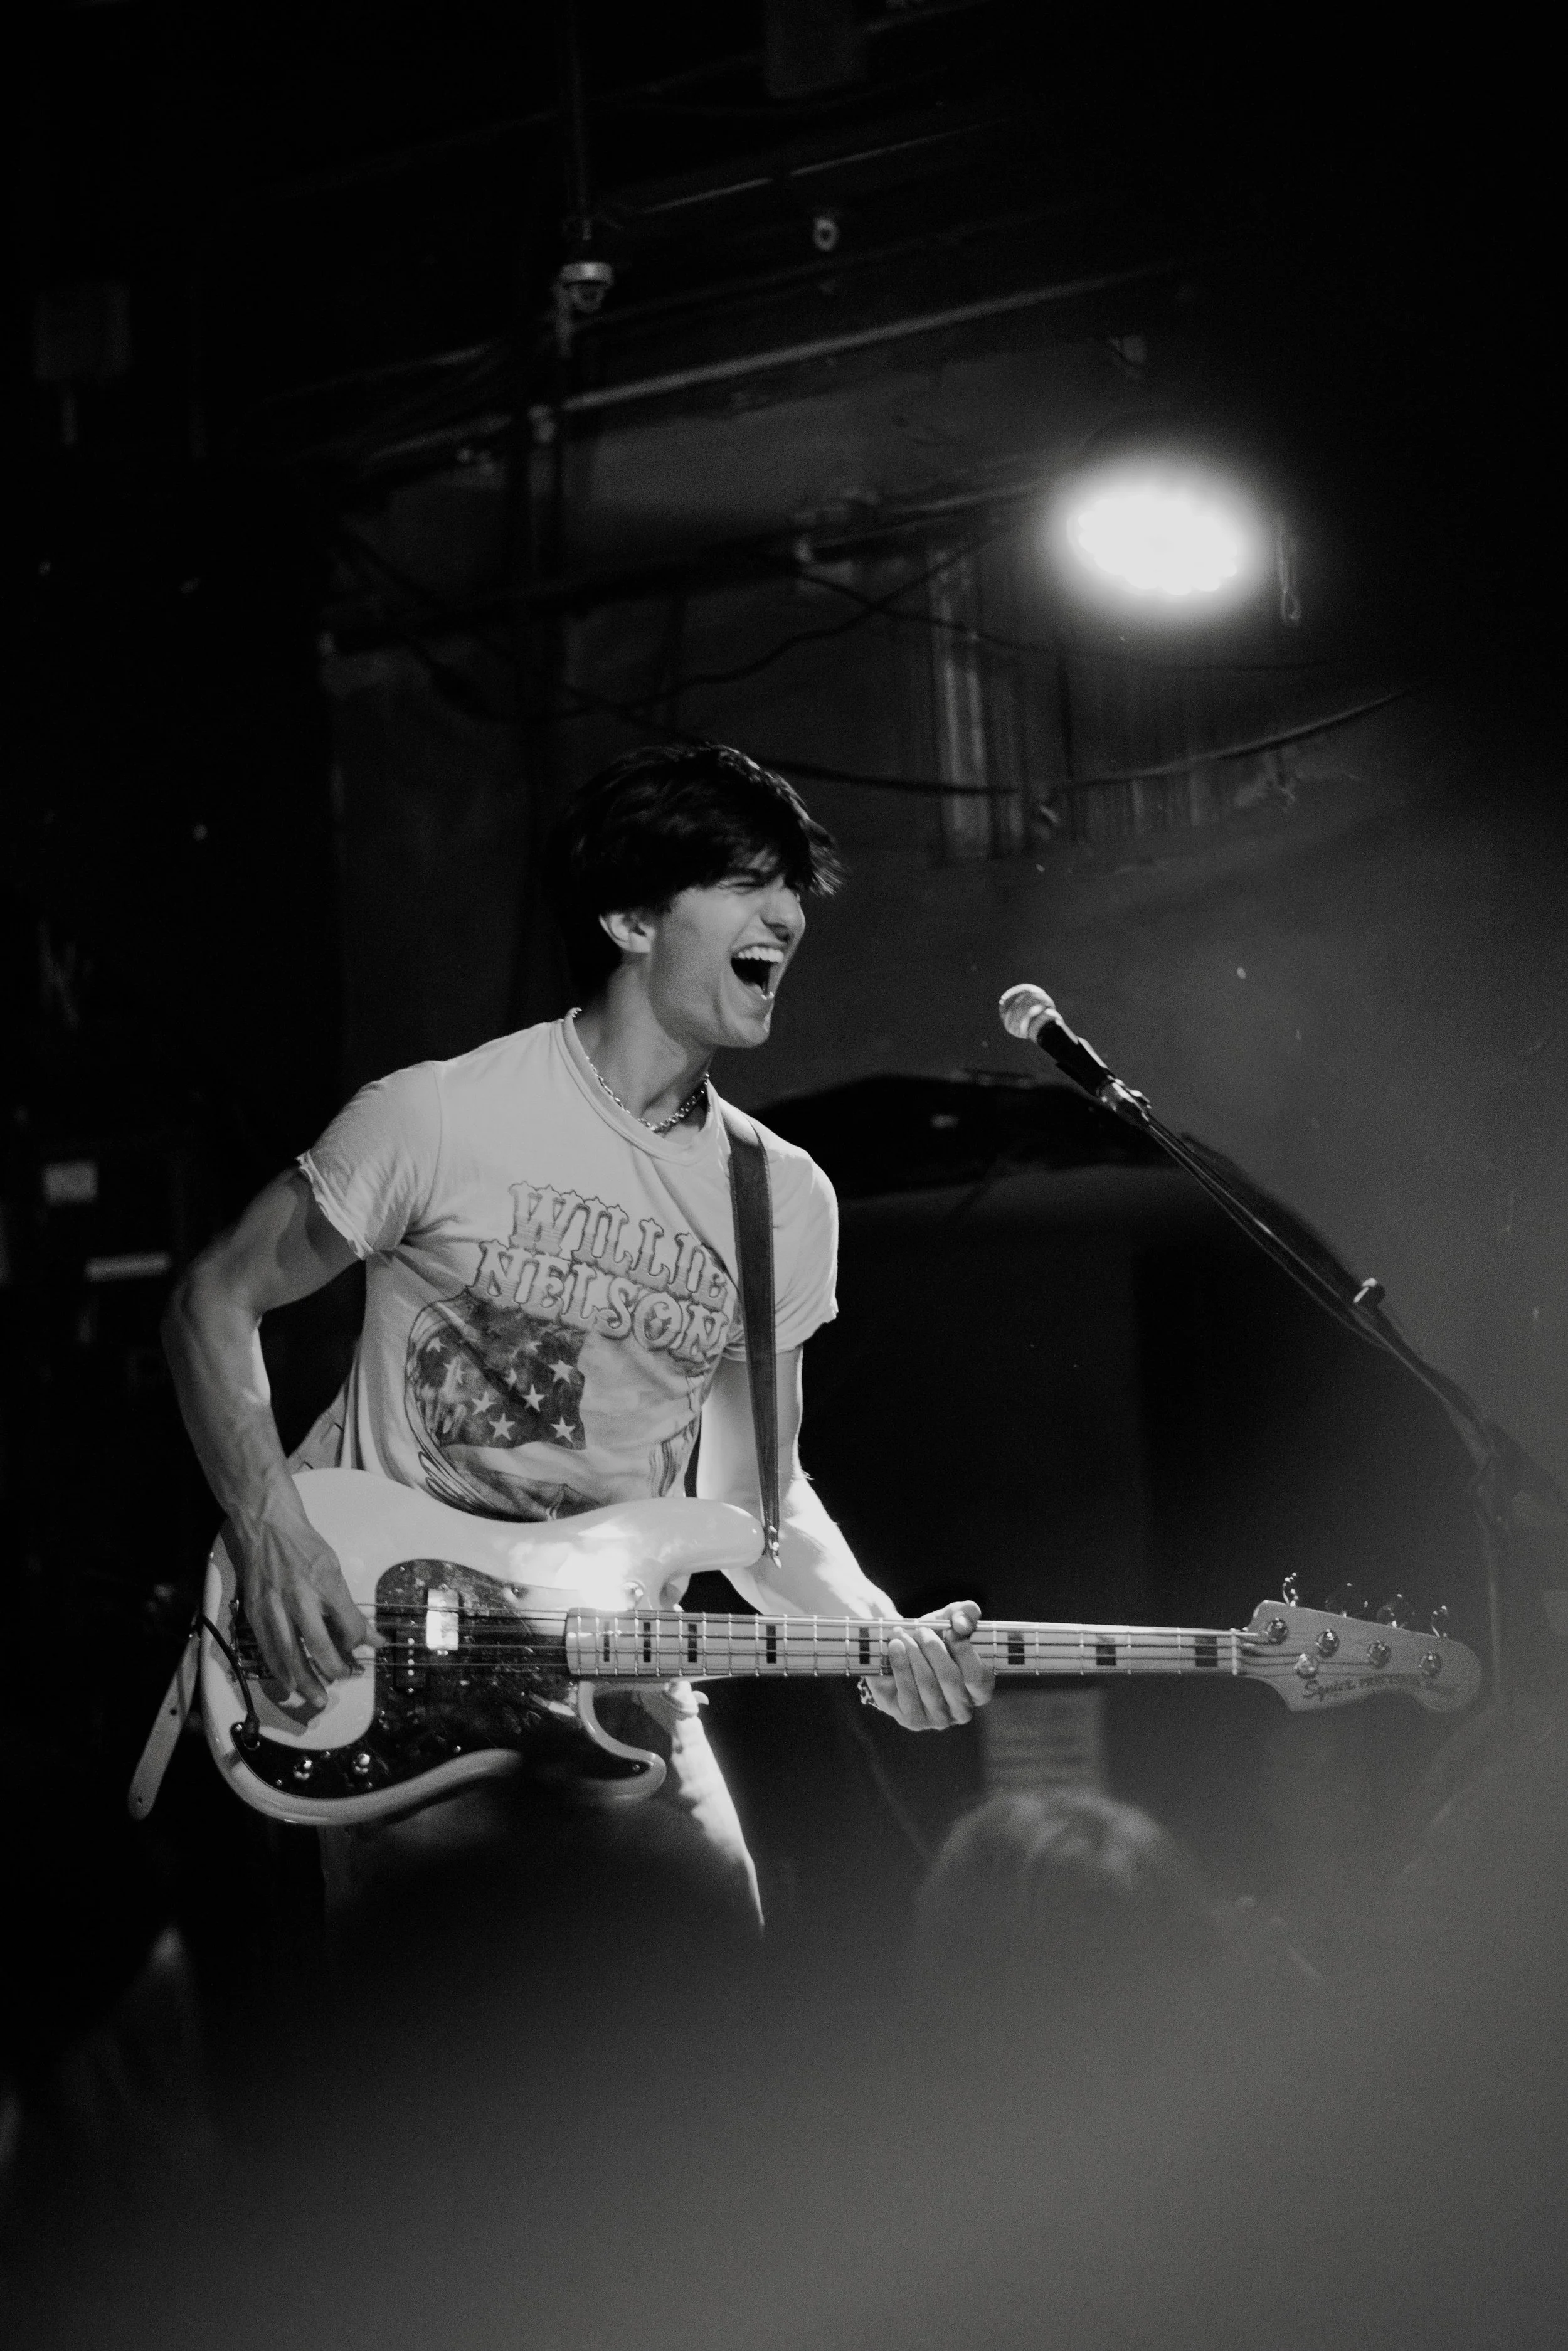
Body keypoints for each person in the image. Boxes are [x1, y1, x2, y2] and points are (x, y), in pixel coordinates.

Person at [161, 742, 993, 1947]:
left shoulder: (782, 1203)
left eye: (794, 887)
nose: (788, 915)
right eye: (748, 880)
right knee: (459, 2082)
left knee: (704, 2057)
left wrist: (878, 1634)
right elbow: (212, 1303)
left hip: (622, 1683)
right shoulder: (438, 1115)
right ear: (628, 915)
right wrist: (273, 1536)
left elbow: (762, 1499)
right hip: (404, 1673)